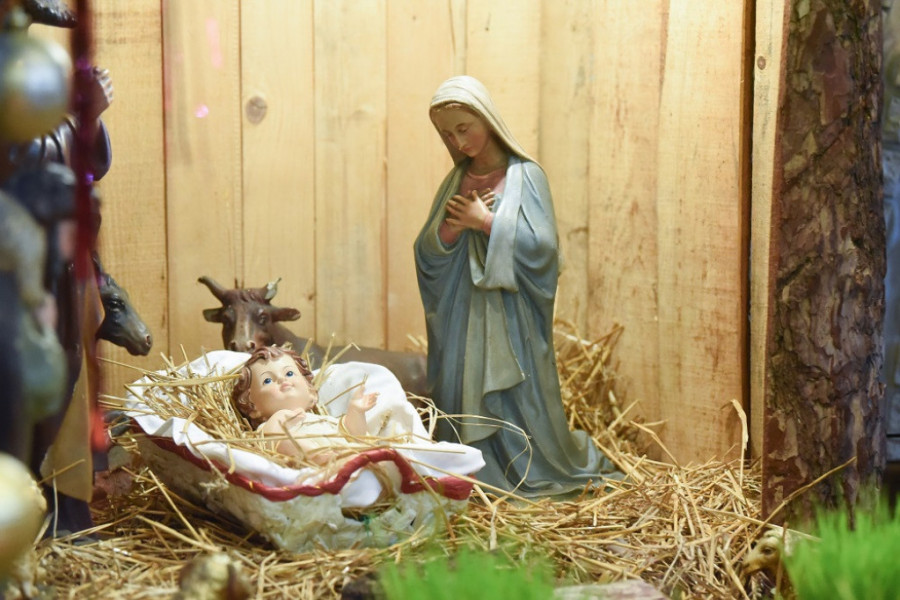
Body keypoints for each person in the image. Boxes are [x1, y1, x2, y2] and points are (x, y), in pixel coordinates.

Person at [414, 75, 621, 497]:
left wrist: (486, 222)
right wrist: (452, 231)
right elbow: (427, 251)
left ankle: (528, 469)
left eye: (464, 128)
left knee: (518, 401)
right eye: (448, 134)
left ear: (487, 119)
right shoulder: (455, 181)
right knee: (462, 394)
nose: (458, 141)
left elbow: (544, 251)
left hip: (511, 320)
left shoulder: (527, 176)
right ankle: (473, 472)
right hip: (464, 317)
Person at [231, 345, 378, 465]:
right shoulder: (269, 427)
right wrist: (279, 419)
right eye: (268, 380)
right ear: (253, 407)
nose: (282, 379)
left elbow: (355, 435)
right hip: (323, 471)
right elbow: (272, 441)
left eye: (289, 373)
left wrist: (356, 411)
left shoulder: (324, 420)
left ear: (310, 391)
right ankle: (322, 457)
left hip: (355, 461)